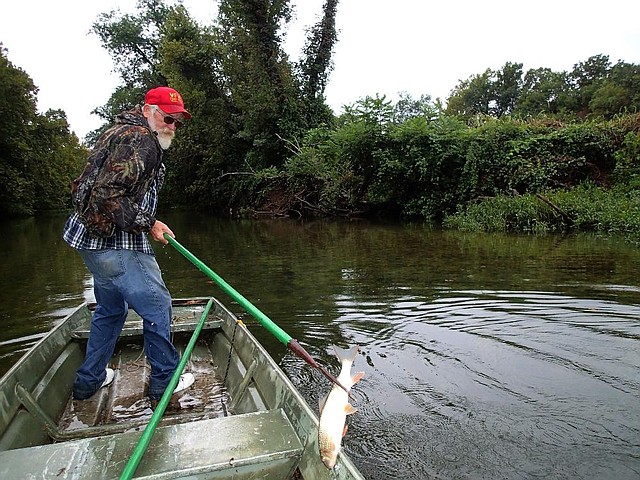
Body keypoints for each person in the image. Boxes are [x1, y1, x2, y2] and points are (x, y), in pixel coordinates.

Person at [63, 86, 195, 403]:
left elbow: (110, 190)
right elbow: (107, 195)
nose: (172, 127)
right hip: (115, 244)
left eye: (177, 121)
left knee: (110, 309)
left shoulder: (120, 131)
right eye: (167, 118)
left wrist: (147, 222)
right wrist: (149, 223)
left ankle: (89, 381)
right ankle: (165, 381)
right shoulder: (141, 139)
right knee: (157, 305)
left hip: (89, 243)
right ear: (149, 110)